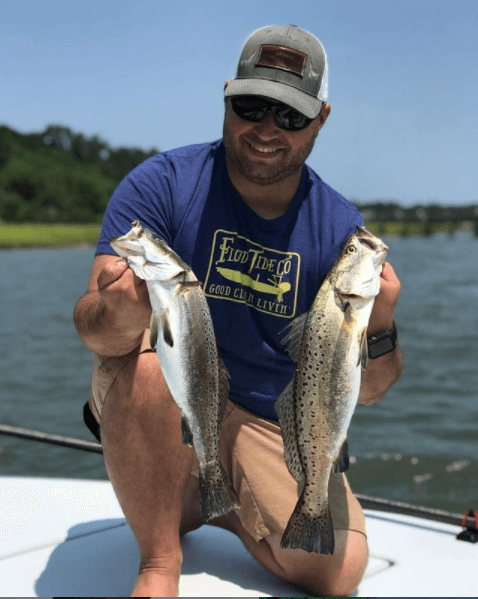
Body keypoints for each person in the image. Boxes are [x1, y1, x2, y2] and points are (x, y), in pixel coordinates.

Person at [74, 25, 403, 597]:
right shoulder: (162, 184)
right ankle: (159, 564)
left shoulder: (338, 230)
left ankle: (210, 498)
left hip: (266, 416)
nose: (267, 130)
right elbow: (96, 336)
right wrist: (121, 310)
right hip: (163, 394)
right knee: (151, 367)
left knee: (337, 570)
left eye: (291, 116)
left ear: (321, 119)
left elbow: (369, 390)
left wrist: (379, 322)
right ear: (227, 97)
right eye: (251, 106)